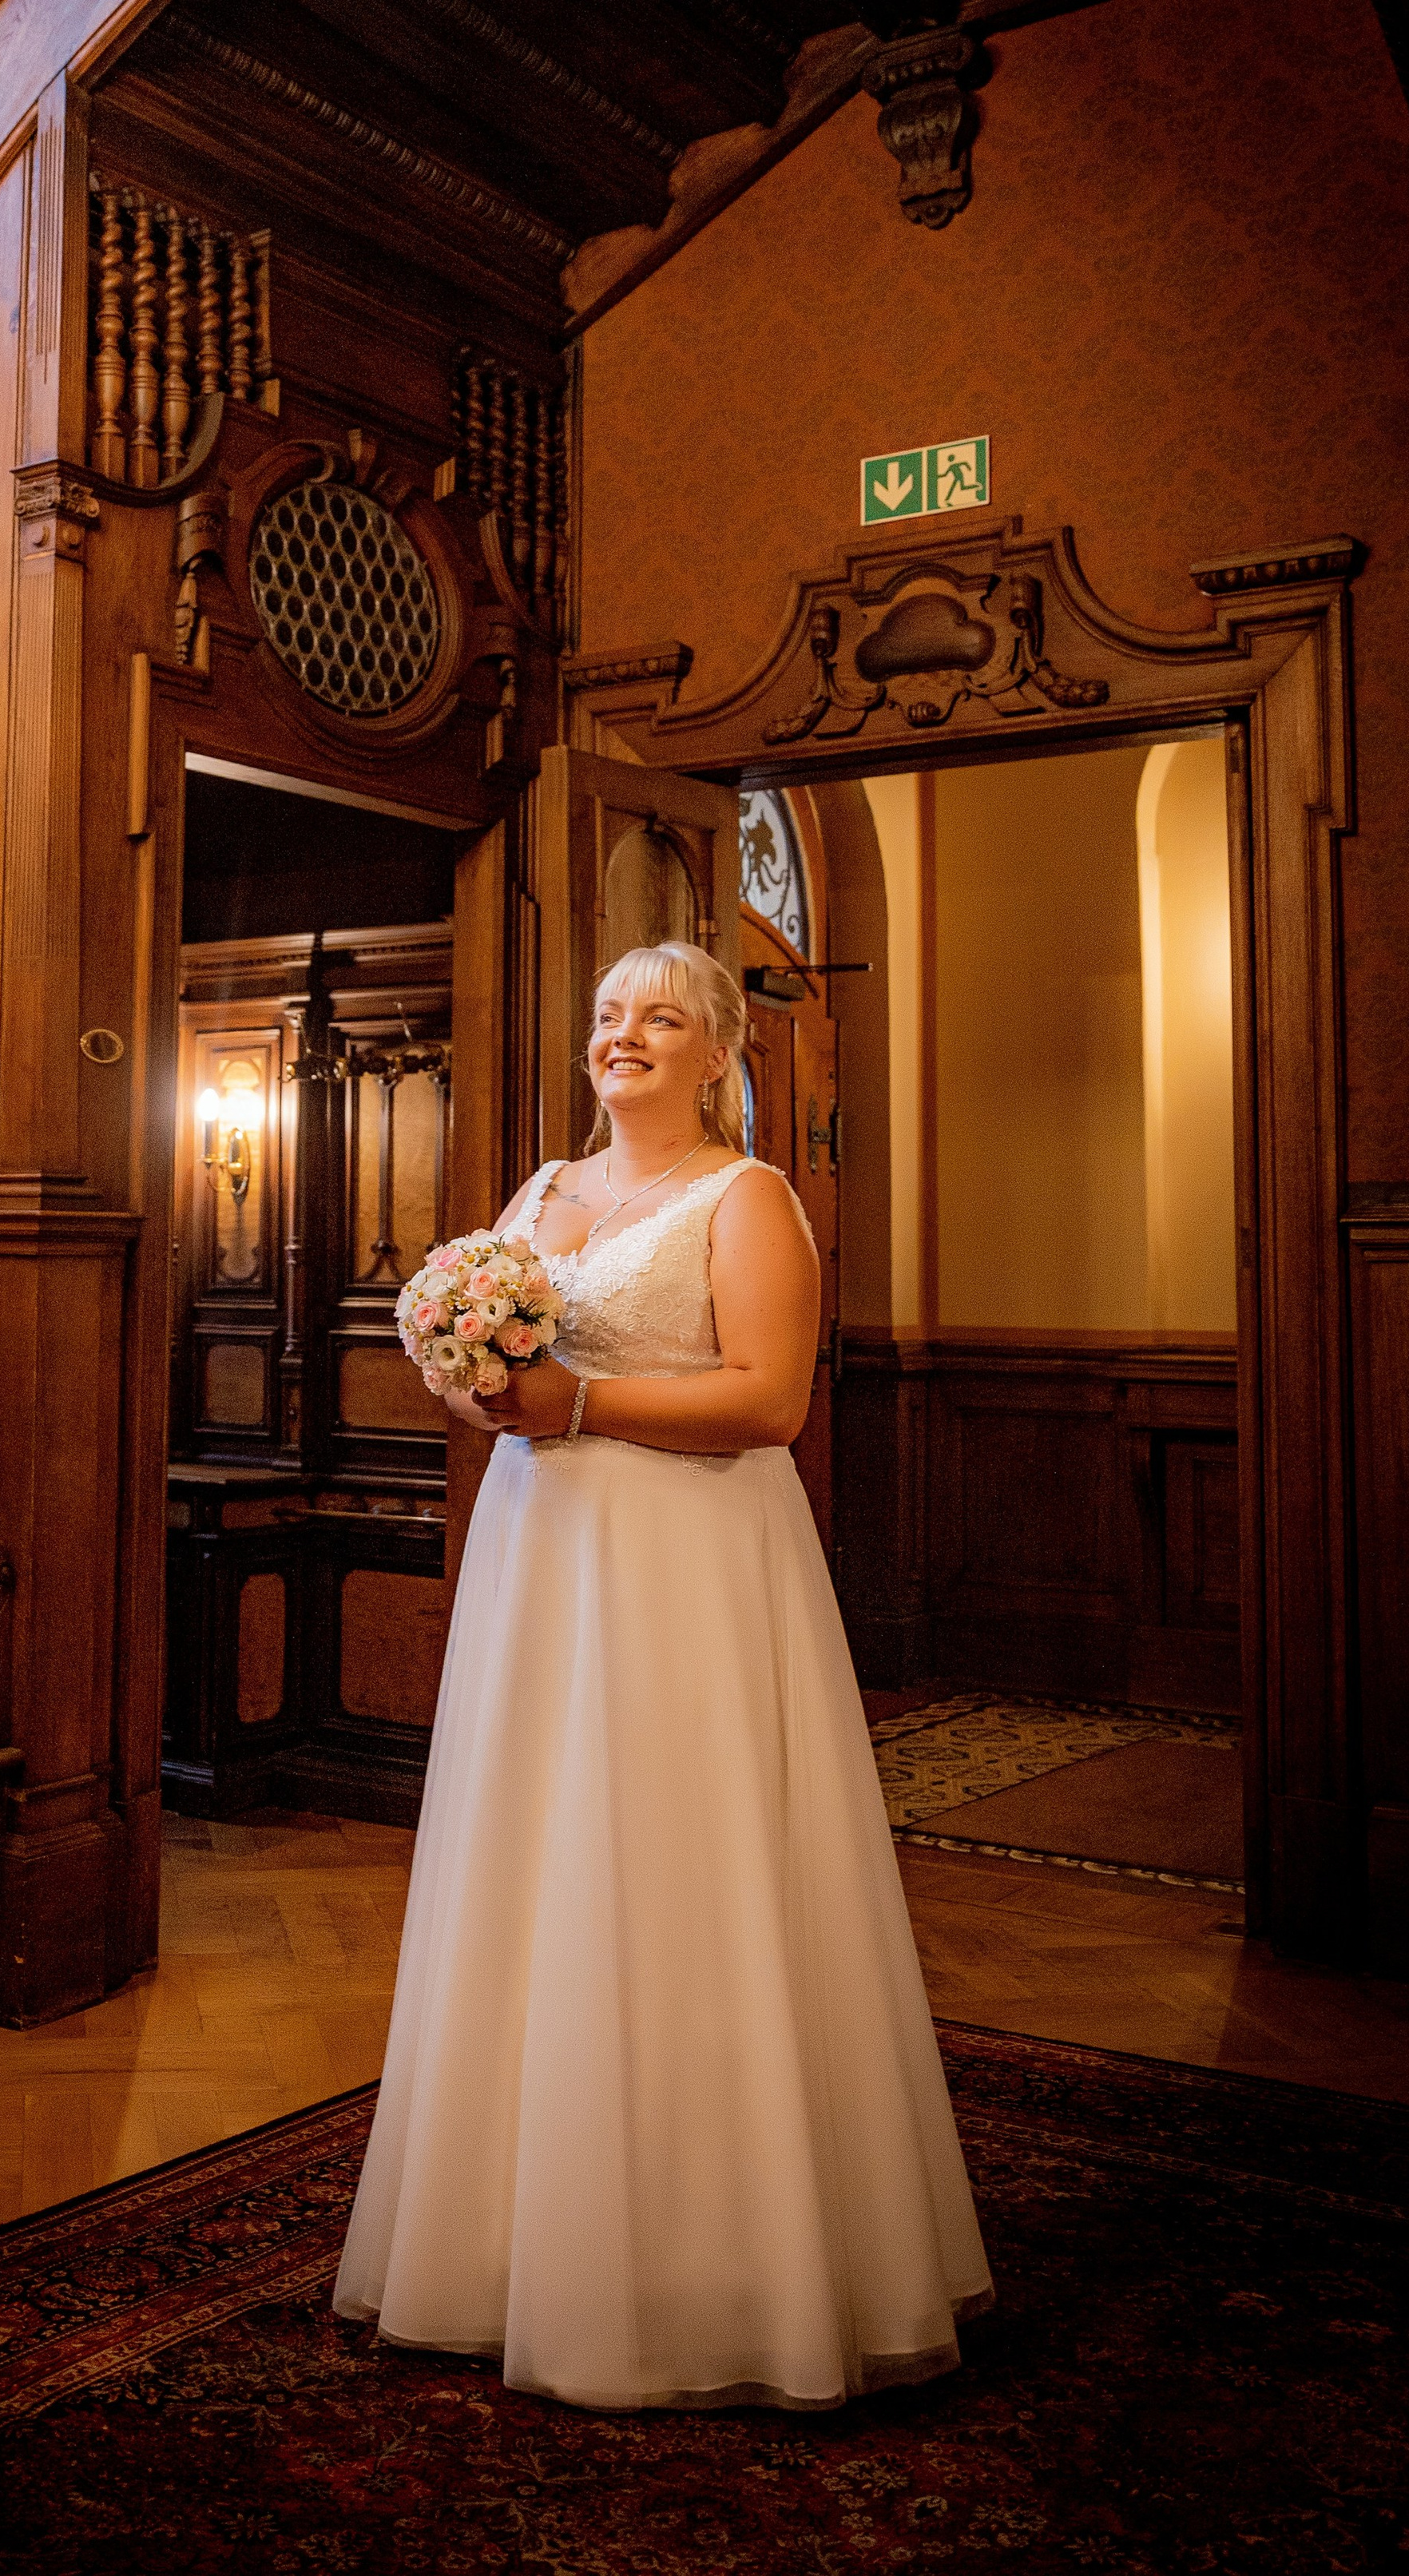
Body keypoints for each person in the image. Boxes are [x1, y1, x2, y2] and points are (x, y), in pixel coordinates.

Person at [333, 938, 992, 2411]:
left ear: (719, 1056)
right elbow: (477, 1358)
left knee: (683, 1871)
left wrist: (576, 1402)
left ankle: (721, 2253)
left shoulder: (748, 1199)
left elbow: (767, 1400)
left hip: (687, 1573)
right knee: (536, 1862)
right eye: (608, 1013)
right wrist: (470, 1382)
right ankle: (509, 2243)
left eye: (663, 1017)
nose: (624, 1034)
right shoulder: (541, 1195)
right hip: (540, 1561)